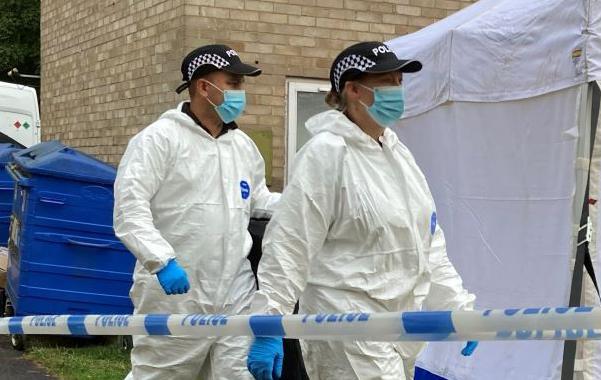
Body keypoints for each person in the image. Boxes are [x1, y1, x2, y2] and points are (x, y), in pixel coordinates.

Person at [246, 41, 477, 380]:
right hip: (346, 325)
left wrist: (457, 307)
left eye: (399, 81)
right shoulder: (326, 154)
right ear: (353, 89)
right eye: (387, 82)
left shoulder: (398, 155)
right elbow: (290, 244)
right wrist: (268, 322)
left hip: (398, 327)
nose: (397, 91)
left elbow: (428, 242)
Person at [114, 44, 279, 380]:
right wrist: (160, 260)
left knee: (240, 374)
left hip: (235, 293)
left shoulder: (242, 146)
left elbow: (259, 201)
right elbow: (130, 207)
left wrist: (307, 205)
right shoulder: (159, 140)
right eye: (233, 83)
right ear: (204, 86)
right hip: (176, 295)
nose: (241, 93)